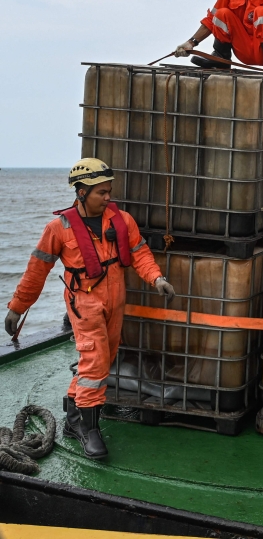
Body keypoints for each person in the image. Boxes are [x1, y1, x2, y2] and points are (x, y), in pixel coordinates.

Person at [4, 159, 174, 460]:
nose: (108, 197)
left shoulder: (121, 220)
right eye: (101, 192)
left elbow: (140, 253)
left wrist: (157, 279)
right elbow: (36, 271)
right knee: (95, 363)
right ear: (81, 192)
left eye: (109, 191)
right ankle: (89, 429)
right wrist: (17, 308)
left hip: (115, 298)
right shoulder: (58, 228)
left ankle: (73, 416)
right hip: (85, 303)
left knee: (101, 359)